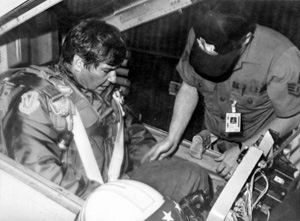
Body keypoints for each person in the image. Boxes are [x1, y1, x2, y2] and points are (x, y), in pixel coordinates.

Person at [0, 18, 210, 210]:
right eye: (106, 70)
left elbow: (133, 134)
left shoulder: (103, 91)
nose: (112, 79)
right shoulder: (34, 100)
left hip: (117, 186)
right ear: (79, 63)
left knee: (194, 176)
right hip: (80, 202)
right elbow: (41, 176)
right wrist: (110, 203)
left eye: (115, 70)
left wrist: (152, 164)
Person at [142, 0, 300, 181]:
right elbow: (189, 86)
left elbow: (292, 115)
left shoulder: (282, 57)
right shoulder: (201, 35)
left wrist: (246, 150)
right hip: (216, 141)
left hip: (261, 148)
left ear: (245, 39)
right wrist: (172, 137)